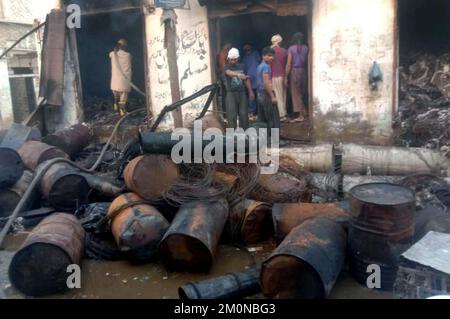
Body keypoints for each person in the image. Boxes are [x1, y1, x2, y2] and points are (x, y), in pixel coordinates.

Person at [223, 48, 254, 130]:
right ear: (228, 59)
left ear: (238, 58)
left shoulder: (242, 66)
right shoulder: (226, 67)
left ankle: (245, 133)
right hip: (231, 94)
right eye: (231, 60)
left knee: (243, 114)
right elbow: (228, 73)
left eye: (235, 60)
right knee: (231, 115)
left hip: (242, 93)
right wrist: (238, 75)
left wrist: (250, 91)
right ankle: (232, 135)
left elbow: (246, 79)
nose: (233, 61)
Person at [285, 32, 308, 122]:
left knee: (296, 93)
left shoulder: (291, 49)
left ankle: (301, 115)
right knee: (302, 91)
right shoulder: (306, 48)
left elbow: (288, 64)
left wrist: (286, 77)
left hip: (295, 71)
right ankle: (304, 111)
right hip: (303, 70)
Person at [256, 47, 280, 131]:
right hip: (266, 94)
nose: (271, 58)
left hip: (260, 93)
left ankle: (264, 139)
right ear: (263, 56)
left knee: (262, 118)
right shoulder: (266, 67)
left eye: (272, 56)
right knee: (272, 118)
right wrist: (272, 96)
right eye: (269, 55)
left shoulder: (260, 66)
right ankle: (274, 140)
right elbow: (266, 83)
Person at [109, 38, 132, 117]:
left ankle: (115, 109)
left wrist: (115, 50)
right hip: (124, 81)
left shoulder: (112, 54)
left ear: (118, 46)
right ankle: (122, 112)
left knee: (116, 96)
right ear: (125, 47)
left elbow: (110, 54)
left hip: (115, 82)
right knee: (123, 98)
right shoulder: (128, 55)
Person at [270, 34, 288, 122]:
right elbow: (285, 63)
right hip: (283, 75)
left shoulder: (271, 51)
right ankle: (284, 112)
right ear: (280, 42)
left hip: (274, 75)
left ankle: (281, 114)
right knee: (283, 94)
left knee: (277, 95)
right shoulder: (285, 51)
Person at [242, 44, 261, 116]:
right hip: (251, 78)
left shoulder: (255, 54)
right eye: (246, 49)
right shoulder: (245, 58)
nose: (247, 51)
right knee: (252, 95)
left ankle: (258, 111)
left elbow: (259, 62)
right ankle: (253, 111)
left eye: (248, 49)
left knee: (258, 95)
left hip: (257, 77)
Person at [217, 43, 232, 115]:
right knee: (229, 93)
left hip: (223, 75)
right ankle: (228, 112)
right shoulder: (223, 53)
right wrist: (227, 74)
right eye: (229, 45)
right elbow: (223, 66)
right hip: (225, 75)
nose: (230, 46)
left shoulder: (224, 52)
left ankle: (226, 112)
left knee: (225, 94)